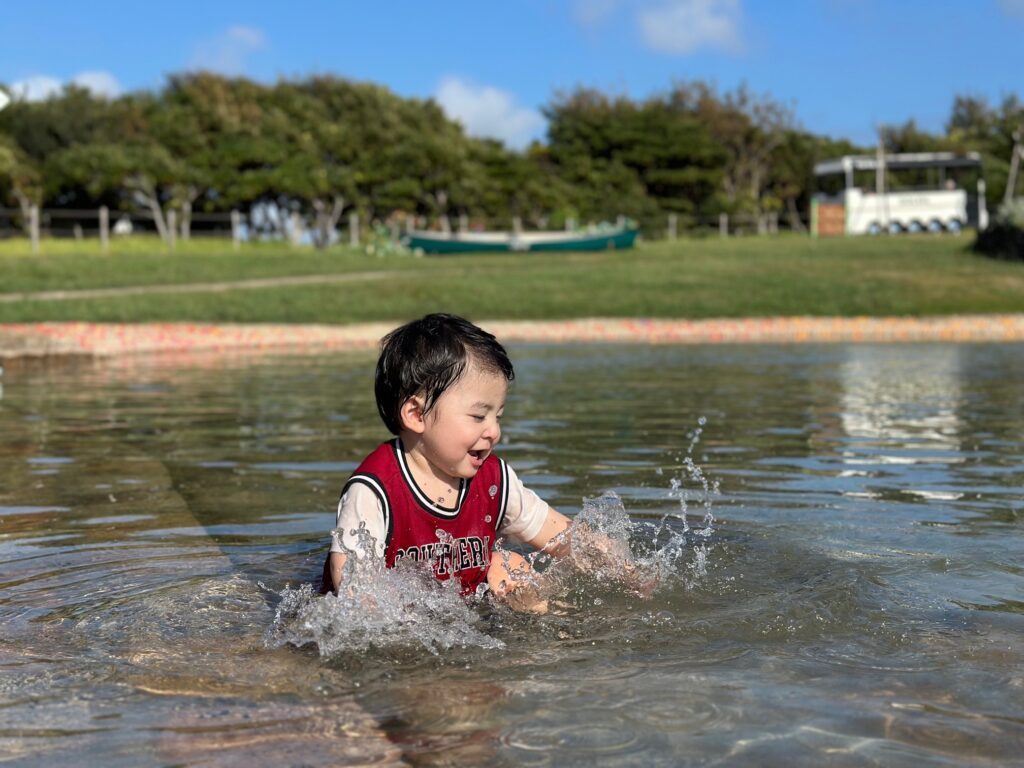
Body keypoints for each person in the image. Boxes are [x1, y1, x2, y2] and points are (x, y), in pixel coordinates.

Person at [320, 313, 641, 611]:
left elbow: (561, 535)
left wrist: (623, 567)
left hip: (463, 621)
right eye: (478, 416)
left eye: (497, 416)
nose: (494, 432)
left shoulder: (492, 481)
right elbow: (354, 589)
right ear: (417, 415)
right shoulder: (375, 491)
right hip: (401, 633)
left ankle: (557, 639)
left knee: (511, 566)